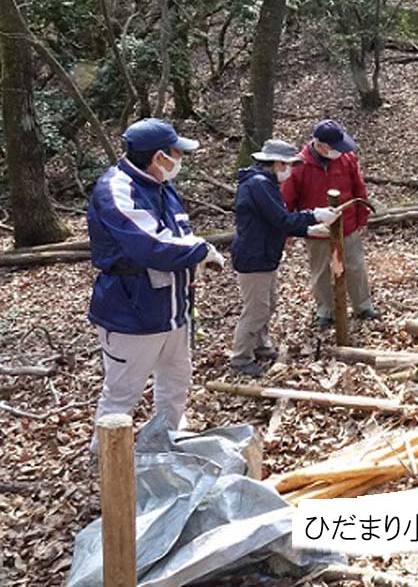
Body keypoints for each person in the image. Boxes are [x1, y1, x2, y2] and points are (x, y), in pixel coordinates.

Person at [87, 118, 224, 451]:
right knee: (123, 392)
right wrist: (201, 250)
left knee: (176, 380)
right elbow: (151, 245)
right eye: (177, 152)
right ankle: (105, 458)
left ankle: (166, 442)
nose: (181, 159)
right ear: (159, 156)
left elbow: (178, 233)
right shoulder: (116, 188)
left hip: (174, 309)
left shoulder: (162, 185)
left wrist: (194, 262)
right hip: (131, 311)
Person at [230, 140, 341, 376]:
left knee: (268, 303)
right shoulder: (259, 185)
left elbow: (276, 221)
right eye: (288, 165)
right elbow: (281, 219)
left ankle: (260, 345)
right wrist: (314, 216)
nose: (290, 170)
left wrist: (307, 228)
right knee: (256, 309)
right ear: (277, 163)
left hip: (265, 254)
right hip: (254, 256)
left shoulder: (266, 184)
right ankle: (240, 358)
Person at [283, 120, 379, 324]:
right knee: (321, 271)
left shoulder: (347, 158)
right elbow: (288, 199)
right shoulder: (299, 166)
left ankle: (363, 306)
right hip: (317, 228)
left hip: (347, 224)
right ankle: (326, 311)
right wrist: (287, 231)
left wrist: (362, 218)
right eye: (335, 147)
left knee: (355, 266)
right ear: (321, 146)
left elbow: (359, 189)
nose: (340, 151)